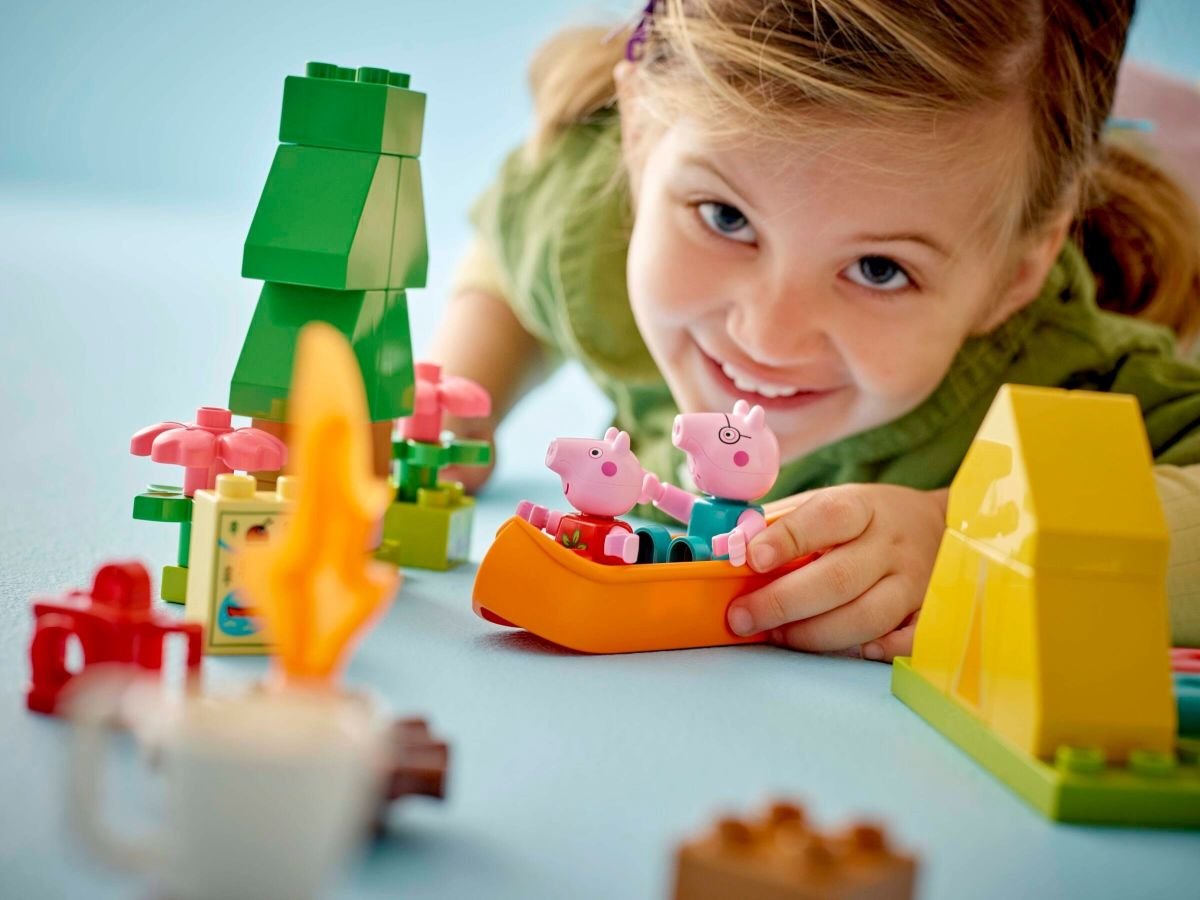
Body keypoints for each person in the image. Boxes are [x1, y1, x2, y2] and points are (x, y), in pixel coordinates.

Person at [431, 0, 1200, 658]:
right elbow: (517, 255)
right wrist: (464, 394)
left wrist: (963, 533)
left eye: (879, 268)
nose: (769, 339)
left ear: (1019, 274)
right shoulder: (595, 212)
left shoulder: (1072, 386)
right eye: (726, 218)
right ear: (637, 139)